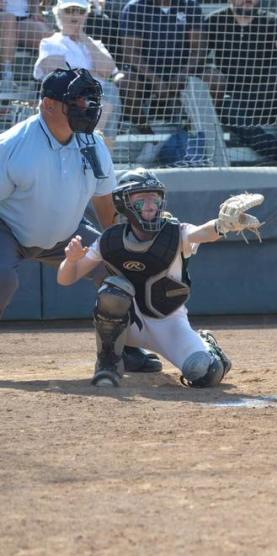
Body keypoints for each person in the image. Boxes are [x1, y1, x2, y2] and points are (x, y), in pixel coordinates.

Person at [0, 68, 160, 372]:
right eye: (75, 101)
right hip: (8, 230)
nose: (86, 107)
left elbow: (103, 202)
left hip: (67, 234)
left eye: (88, 100)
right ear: (48, 105)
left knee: (124, 266)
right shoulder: (11, 146)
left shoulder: (93, 144)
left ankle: (122, 349)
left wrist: (121, 251)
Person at [56, 168, 261, 387]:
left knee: (204, 372)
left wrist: (222, 225)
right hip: (130, 327)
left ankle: (207, 345)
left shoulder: (176, 232)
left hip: (169, 324)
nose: (151, 204)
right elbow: (66, 278)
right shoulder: (110, 239)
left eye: (154, 198)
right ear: (124, 202)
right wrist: (71, 261)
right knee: (113, 290)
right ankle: (110, 361)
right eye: (141, 199)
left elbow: (202, 233)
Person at [205, 0, 277, 165]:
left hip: (265, 94)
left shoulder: (272, 20)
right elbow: (200, 53)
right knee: (225, 104)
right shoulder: (215, 20)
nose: (247, 1)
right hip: (232, 96)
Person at [33, 0, 121, 149]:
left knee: (110, 92)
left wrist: (84, 39)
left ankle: (95, 146)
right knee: (106, 96)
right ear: (58, 14)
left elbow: (107, 70)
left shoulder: (94, 44)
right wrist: (92, 72)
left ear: (86, 15)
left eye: (80, 11)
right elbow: (58, 73)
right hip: (67, 98)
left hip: (98, 98)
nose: (75, 15)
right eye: (69, 11)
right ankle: (92, 144)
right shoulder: (50, 42)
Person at [117, 0, 204, 133]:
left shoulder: (191, 6)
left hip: (184, 73)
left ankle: (196, 132)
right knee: (125, 81)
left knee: (214, 79)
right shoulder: (134, 8)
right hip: (144, 74)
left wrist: (181, 76)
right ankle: (146, 133)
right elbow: (130, 52)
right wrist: (155, 80)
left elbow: (198, 50)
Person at [1, 0, 53, 93]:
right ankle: (6, 78)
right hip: (3, 17)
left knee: (48, 37)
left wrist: (36, 11)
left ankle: (45, 85)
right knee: (9, 19)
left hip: (23, 19)